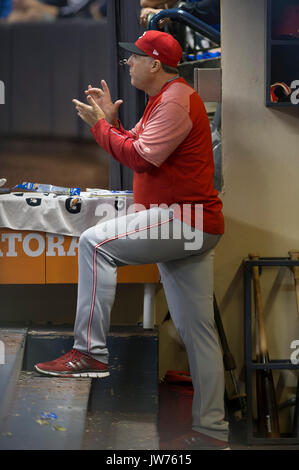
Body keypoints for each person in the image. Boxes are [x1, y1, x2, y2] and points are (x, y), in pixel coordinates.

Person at [34, 30, 229, 450]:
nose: (129, 64)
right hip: (188, 222)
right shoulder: (164, 99)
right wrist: (113, 124)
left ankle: (90, 352)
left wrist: (101, 126)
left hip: (184, 219)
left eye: (135, 58)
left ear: (155, 64)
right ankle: (213, 431)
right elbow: (134, 145)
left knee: (94, 243)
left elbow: (138, 157)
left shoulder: (176, 100)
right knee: (198, 333)